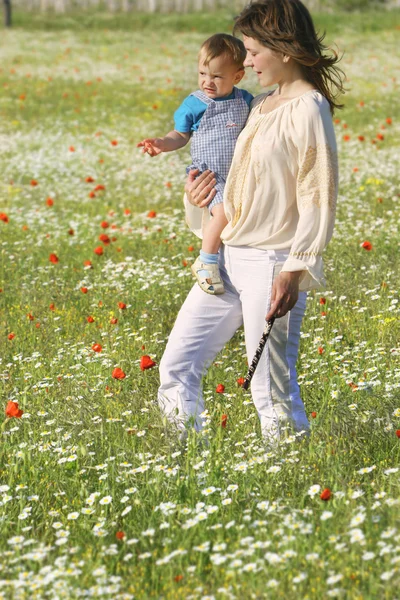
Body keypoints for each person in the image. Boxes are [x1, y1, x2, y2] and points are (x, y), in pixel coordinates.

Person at [157, 0, 344, 444]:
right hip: (226, 257)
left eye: (254, 50)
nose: (247, 60)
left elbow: (318, 193)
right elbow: (233, 180)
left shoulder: (308, 108)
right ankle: (185, 462)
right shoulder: (257, 105)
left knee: (270, 388)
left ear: (284, 48)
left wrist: (294, 270)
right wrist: (197, 197)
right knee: (177, 366)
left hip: (270, 262)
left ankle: (289, 485)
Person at [138, 34, 253, 295]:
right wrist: (162, 143)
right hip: (210, 173)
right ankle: (207, 261)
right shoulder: (195, 104)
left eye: (216, 76)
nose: (207, 82)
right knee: (223, 212)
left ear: (237, 77)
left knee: (237, 214)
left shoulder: (244, 100)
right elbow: (179, 135)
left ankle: (229, 262)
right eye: (202, 73)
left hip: (235, 172)